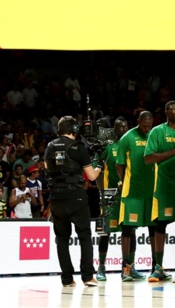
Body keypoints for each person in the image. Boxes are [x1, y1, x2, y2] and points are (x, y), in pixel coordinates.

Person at [44, 115, 102, 287]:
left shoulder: (50, 146)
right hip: (75, 196)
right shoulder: (78, 147)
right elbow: (91, 176)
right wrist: (100, 165)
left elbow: (47, 168)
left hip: (56, 198)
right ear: (74, 130)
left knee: (61, 239)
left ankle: (67, 279)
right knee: (84, 235)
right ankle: (87, 276)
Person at [144, 101, 175, 282]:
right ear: (166, 112)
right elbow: (149, 158)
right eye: (172, 109)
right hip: (163, 187)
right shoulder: (157, 131)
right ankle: (158, 266)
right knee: (161, 225)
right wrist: (174, 151)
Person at [116, 111, 155, 282]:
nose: (147, 129)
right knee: (128, 229)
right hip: (132, 192)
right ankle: (126, 268)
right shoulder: (127, 137)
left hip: (151, 192)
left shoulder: (154, 135)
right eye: (144, 125)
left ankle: (156, 267)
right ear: (138, 121)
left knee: (153, 229)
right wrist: (125, 181)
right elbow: (119, 165)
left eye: (149, 126)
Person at [96, 117, 129, 281]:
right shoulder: (108, 146)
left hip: (128, 194)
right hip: (110, 194)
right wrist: (102, 192)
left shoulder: (131, 144)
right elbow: (97, 171)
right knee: (105, 232)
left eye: (125, 126)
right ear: (114, 129)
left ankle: (129, 268)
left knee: (130, 230)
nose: (123, 128)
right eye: (119, 126)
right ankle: (101, 267)